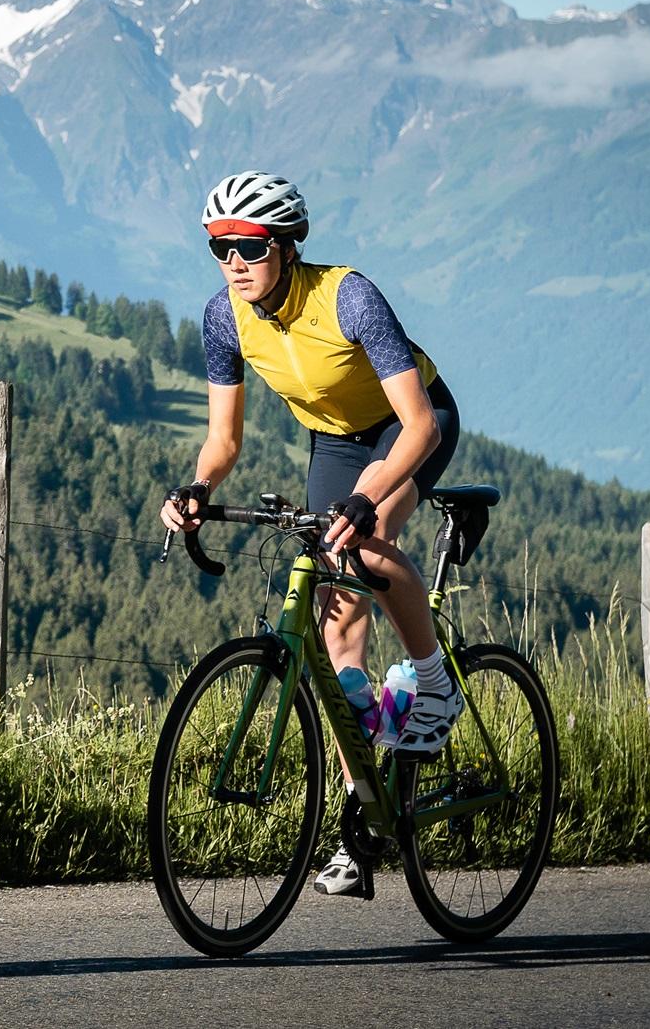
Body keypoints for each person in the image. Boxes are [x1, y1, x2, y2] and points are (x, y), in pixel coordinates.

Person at [158, 170, 463, 898]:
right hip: (333, 439)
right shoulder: (225, 317)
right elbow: (222, 441)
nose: (234, 262)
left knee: (360, 541)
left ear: (287, 246)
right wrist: (198, 489)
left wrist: (367, 498)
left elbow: (418, 425)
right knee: (332, 641)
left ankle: (435, 684)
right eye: (220, 247)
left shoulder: (348, 296)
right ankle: (365, 820)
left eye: (250, 246)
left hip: (409, 425)